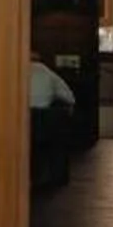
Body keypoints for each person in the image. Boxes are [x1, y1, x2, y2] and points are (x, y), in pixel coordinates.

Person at [28, 57, 76, 191]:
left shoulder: (15, 71)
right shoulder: (47, 73)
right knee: (57, 137)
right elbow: (68, 97)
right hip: (45, 119)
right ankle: (58, 178)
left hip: (22, 119)